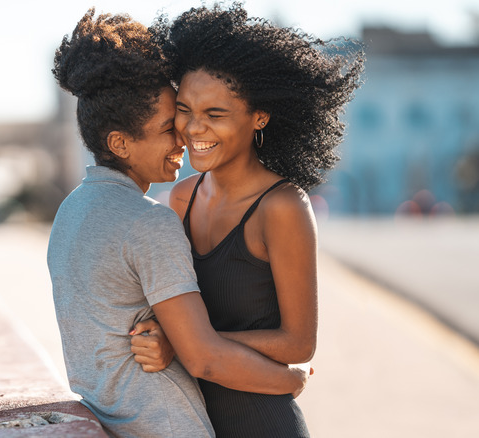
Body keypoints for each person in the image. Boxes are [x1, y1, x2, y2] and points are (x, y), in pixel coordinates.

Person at [47, 9, 309, 438]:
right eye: (171, 125)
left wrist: (176, 338)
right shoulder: (151, 219)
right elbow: (203, 356)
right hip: (170, 423)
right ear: (120, 143)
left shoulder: (70, 212)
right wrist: (292, 380)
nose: (183, 137)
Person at [134, 3, 365, 437]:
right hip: (193, 423)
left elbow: (299, 343)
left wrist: (188, 346)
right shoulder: (180, 199)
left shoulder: (283, 207)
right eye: (184, 109)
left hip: (263, 423)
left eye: (215, 114)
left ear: (259, 116)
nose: (193, 129)